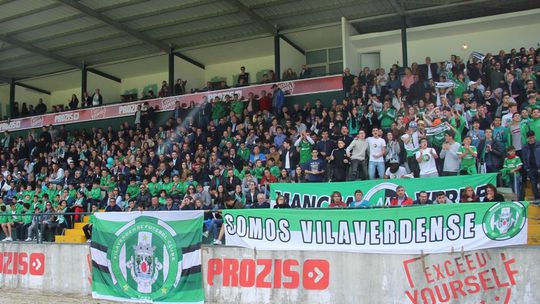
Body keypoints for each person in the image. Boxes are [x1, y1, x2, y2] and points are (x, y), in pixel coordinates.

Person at [522, 131, 540, 200]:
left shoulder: (539, 144)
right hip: (531, 169)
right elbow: (524, 158)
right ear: (527, 138)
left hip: (539, 167)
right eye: (530, 138)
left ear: (535, 137)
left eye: (532, 137)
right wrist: (527, 168)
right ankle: (537, 199)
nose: (531, 139)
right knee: (533, 185)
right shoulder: (525, 147)